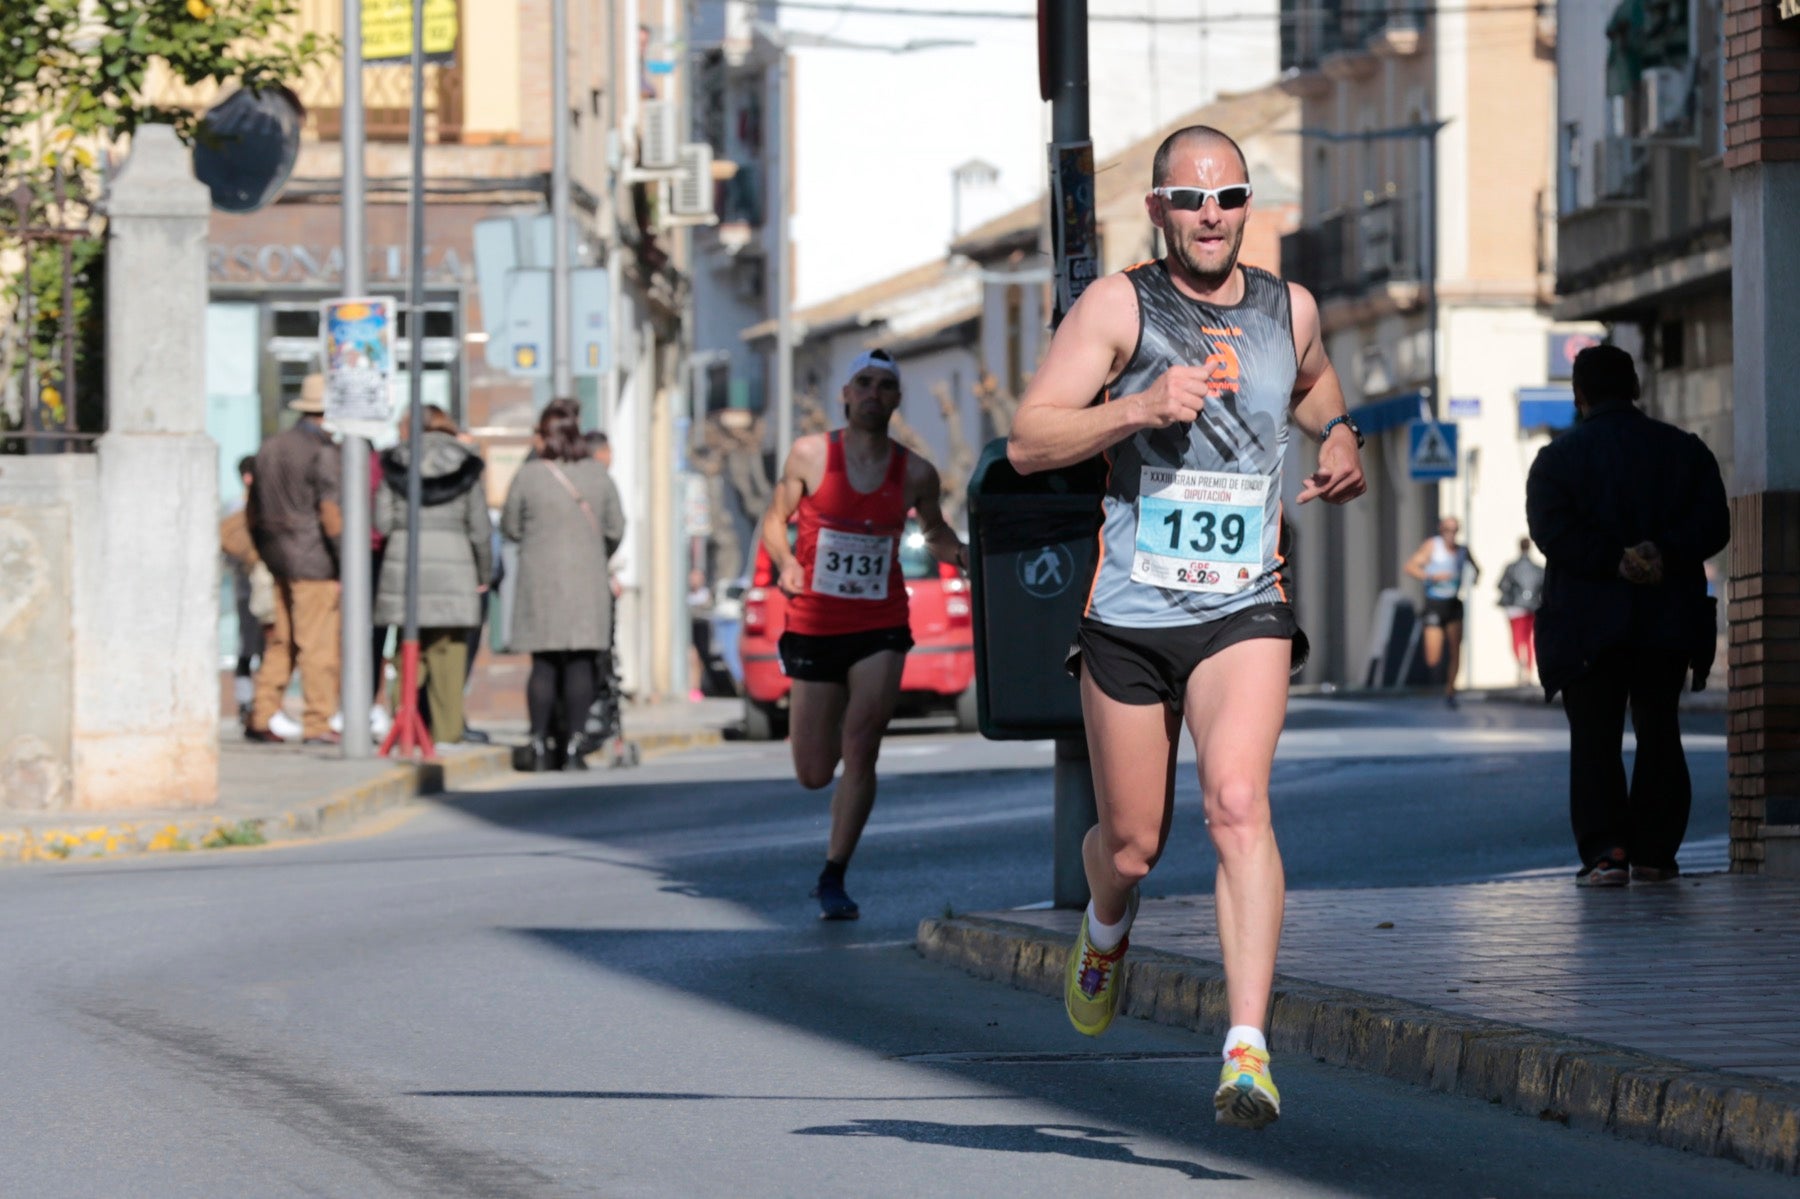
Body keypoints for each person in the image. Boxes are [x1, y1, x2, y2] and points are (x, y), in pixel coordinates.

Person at [1005, 125, 1365, 1129]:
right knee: (1132, 842)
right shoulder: (1120, 304)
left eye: (1230, 196)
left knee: (1239, 801)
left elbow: (1315, 382)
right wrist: (1133, 410)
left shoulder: (1286, 307)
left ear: (1249, 206)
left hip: (1242, 602)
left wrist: (1340, 435)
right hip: (1129, 613)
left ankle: (1246, 1045)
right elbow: (1031, 439)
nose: (1212, 215)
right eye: (1191, 199)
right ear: (1158, 208)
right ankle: (1106, 921)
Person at [759, 347, 967, 921]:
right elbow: (774, 519)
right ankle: (830, 860)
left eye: (885, 386)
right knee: (812, 772)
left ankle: (834, 874)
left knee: (862, 744)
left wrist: (967, 556)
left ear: (897, 399)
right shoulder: (809, 455)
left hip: (880, 624)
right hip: (814, 623)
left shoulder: (916, 473)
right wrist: (785, 563)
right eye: (864, 384)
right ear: (845, 395)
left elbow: (936, 531)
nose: (874, 394)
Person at [1526, 344, 1728, 887]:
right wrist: (1662, 553)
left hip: (1588, 624)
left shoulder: (1557, 461)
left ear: (1579, 395)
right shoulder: (1684, 451)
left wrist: (1612, 561)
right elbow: (1714, 525)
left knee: (1595, 738)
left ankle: (1607, 854)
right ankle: (1656, 854)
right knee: (1660, 728)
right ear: (1636, 388)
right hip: (1667, 620)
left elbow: (1553, 533)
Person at [502, 399, 626, 771]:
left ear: (545, 436)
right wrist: (593, 552)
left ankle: (539, 744)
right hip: (587, 580)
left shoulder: (528, 476)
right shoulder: (597, 475)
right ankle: (573, 747)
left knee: (543, 663)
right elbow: (615, 528)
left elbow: (509, 526)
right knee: (580, 664)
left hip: (539, 580)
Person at [374, 405, 493, 747]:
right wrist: (482, 574)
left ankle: (403, 726)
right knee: (449, 655)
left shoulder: (396, 460)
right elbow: (480, 530)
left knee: (408, 650)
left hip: (405, 565)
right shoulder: (465, 463)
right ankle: (446, 732)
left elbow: (381, 521)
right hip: (455, 570)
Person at [247, 373, 344, 745]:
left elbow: (252, 511)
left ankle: (261, 714)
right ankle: (318, 721)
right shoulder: (323, 452)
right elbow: (330, 513)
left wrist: (263, 549)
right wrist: (344, 561)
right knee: (317, 644)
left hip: (277, 556)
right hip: (314, 560)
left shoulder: (270, 447)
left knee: (283, 640)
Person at [1405, 516, 1479, 708]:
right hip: (1435, 604)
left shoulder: (1462, 550)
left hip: (1453, 604)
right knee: (1433, 657)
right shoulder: (1432, 546)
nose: (1451, 534)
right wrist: (1431, 576)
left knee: (1455, 650)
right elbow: (1410, 567)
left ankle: (1450, 691)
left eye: (1455, 530)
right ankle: (1434, 683)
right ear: (1441, 530)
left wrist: (1474, 578)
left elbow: (1476, 568)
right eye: (1447, 529)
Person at [220, 455, 270, 727]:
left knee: (252, 646)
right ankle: (250, 703)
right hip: (251, 586)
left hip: (246, 586)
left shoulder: (234, 507)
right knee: (253, 646)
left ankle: (251, 703)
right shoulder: (240, 508)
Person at [1497, 537, 1545, 685]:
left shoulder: (1511, 567)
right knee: (1530, 639)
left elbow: (1502, 585)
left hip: (1515, 608)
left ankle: (1521, 665)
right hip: (1533, 607)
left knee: (1518, 638)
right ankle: (1528, 670)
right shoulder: (1538, 569)